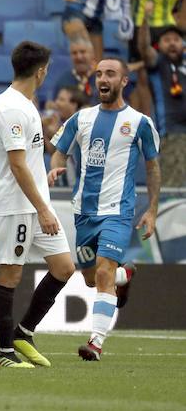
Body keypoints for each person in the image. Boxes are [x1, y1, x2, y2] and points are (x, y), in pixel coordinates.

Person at [49, 58, 160, 360]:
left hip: (118, 211)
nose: (103, 78)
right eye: (99, 74)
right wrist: (55, 169)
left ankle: (95, 342)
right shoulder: (81, 119)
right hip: (84, 211)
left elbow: (152, 167)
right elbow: (59, 152)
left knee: (102, 272)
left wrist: (151, 210)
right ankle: (125, 276)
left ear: (124, 81)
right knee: (90, 278)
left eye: (110, 73)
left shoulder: (139, 123)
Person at [0, 42, 76, 369]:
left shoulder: (23, 104)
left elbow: (29, 162)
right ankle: (4, 353)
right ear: (40, 70)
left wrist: (44, 179)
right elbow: (17, 165)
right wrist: (42, 207)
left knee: (64, 267)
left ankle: (23, 333)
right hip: (17, 205)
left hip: (35, 199)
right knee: (10, 273)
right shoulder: (12, 107)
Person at [140, 2, 186, 186]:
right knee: (176, 189)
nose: (173, 43)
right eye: (167, 40)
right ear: (159, 45)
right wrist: (145, 20)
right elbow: (144, 48)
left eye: (176, 39)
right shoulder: (157, 64)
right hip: (173, 135)